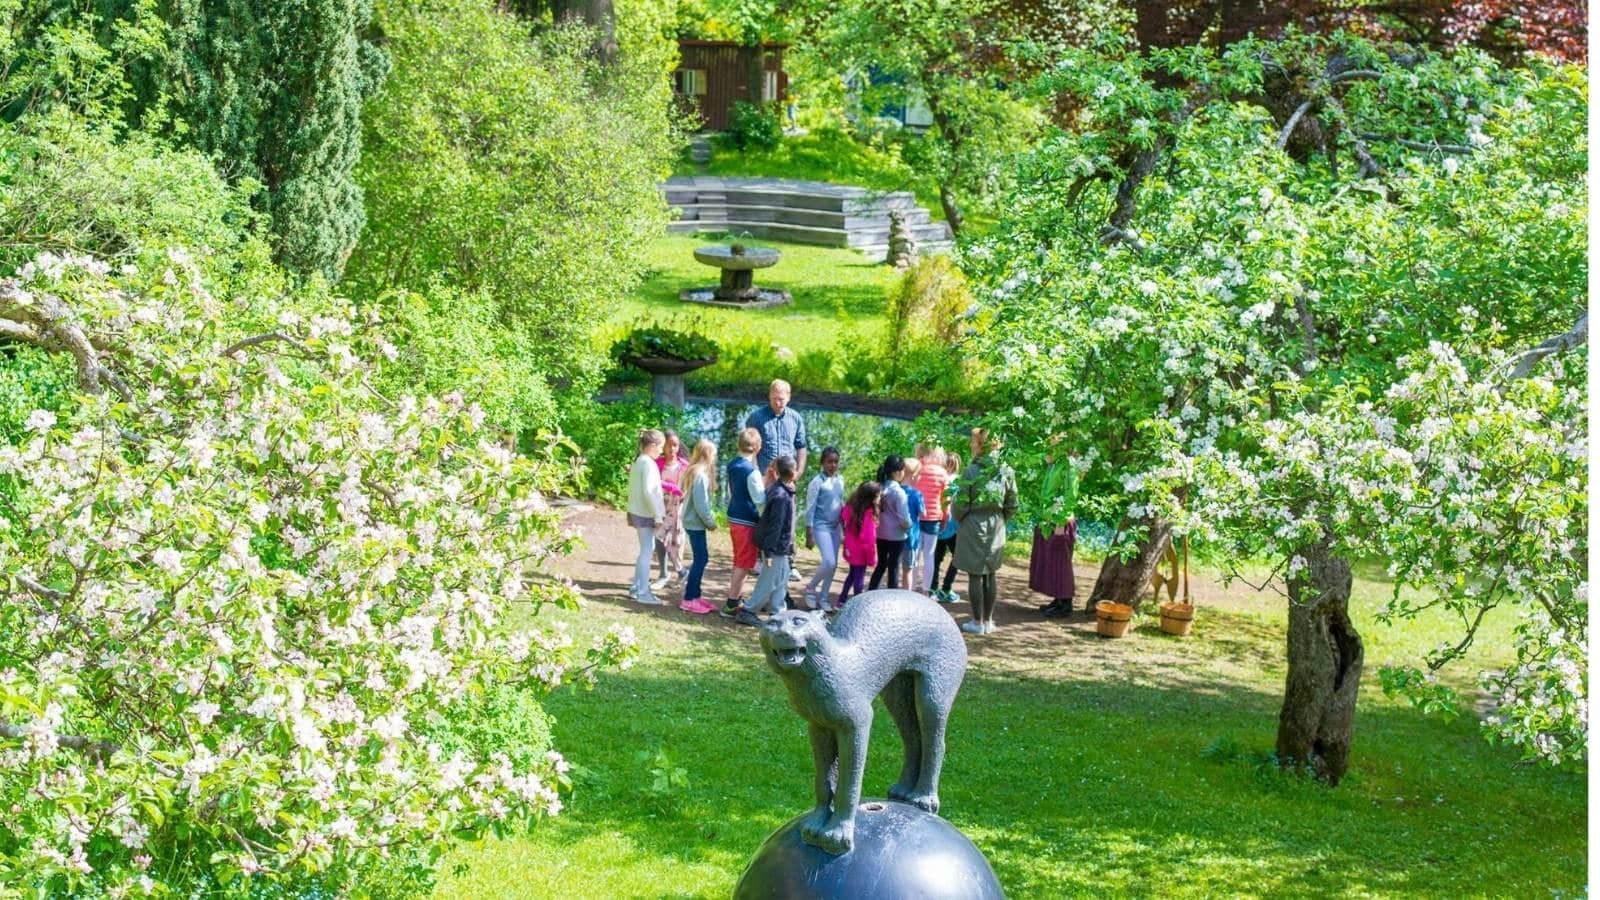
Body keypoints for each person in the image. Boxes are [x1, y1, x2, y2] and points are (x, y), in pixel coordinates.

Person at [951, 428, 1017, 634]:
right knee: (990, 574)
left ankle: (977, 622)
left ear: (980, 445)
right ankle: (988, 621)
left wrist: (961, 518)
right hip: (997, 524)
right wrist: (1000, 518)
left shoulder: (971, 470)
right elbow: (1013, 503)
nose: (971, 445)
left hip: (974, 523)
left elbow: (961, 503)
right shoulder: (1006, 470)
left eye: (973, 442)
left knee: (975, 575)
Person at [746, 379, 809, 585]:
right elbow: (751, 447)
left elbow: (801, 446)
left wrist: (798, 471)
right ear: (769, 396)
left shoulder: (796, 418)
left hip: (788, 477)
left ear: (788, 397)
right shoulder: (757, 417)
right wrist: (755, 473)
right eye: (774, 399)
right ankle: (758, 559)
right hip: (766, 476)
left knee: (788, 520)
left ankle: (789, 562)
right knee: (762, 517)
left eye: (781, 399)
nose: (778, 403)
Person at [737, 455, 798, 626]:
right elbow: (775, 526)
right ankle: (748, 610)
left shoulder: (786, 490)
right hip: (774, 547)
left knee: (782, 579)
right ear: (793, 473)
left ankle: (778, 612)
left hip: (782, 547)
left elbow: (787, 524)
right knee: (769, 580)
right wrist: (769, 552)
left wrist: (791, 545)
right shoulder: (780, 495)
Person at [1031, 440, 1081, 618]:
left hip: (1060, 522)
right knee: (1052, 563)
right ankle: (1057, 599)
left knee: (1061, 564)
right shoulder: (1054, 466)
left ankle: (1065, 604)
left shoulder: (1069, 468)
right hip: (1048, 521)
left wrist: (1060, 523)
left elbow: (1070, 497)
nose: (1047, 450)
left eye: (1051, 447)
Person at [721, 428, 766, 617]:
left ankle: (735, 597)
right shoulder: (752, 472)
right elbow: (759, 500)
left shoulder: (732, 464)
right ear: (757, 447)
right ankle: (732, 604)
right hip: (747, 520)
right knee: (744, 563)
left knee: (739, 559)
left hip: (734, 517)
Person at [626, 429, 667, 605]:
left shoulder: (639, 461)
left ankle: (636, 586)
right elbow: (650, 492)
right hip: (645, 513)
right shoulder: (648, 463)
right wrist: (658, 515)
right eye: (661, 447)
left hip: (637, 510)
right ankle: (642, 592)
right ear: (652, 446)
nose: (662, 451)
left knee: (645, 549)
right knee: (646, 551)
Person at [679, 438, 719, 615]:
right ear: (709, 455)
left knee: (701, 558)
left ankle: (696, 595)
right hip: (695, 523)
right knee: (701, 559)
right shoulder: (700, 476)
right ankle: (689, 599)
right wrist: (710, 522)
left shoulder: (693, 471)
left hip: (692, 522)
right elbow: (701, 504)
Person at [802, 447, 846, 610]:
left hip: (835, 527)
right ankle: (811, 588)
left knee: (833, 565)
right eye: (829, 461)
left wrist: (844, 528)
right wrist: (809, 533)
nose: (833, 465)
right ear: (822, 463)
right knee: (828, 561)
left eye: (836, 462)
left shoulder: (840, 480)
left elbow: (840, 503)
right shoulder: (817, 482)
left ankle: (824, 597)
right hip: (821, 526)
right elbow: (810, 508)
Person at [653, 430, 689, 589]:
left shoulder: (684, 465)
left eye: (675, 445)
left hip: (677, 508)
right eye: (668, 445)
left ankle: (680, 571)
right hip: (660, 506)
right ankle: (663, 573)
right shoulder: (657, 463)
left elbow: (688, 487)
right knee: (659, 537)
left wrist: (682, 495)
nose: (672, 449)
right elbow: (653, 482)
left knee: (676, 541)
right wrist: (670, 487)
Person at [868, 455, 910, 590]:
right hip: (897, 535)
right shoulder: (899, 492)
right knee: (894, 567)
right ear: (897, 472)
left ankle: (871, 590)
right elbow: (904, 518)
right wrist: (910, 525)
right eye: (903, 470)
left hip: (881, 533)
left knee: (881, 564)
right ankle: (893, 595)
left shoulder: (879, 488)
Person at [914, 444, 951, 594]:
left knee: (915, 554)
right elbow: (946, 500)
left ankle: (910, 587)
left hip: (916, 516)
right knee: (929, 556)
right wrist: (945, 518)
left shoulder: (917, 470)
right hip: (934, 518)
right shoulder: (942, 473)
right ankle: (926, 591)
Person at [837, 481, 881, 607]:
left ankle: (841, 599)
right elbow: (869, 538)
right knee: (859, 578)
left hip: (850, 547)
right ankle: (858, 603)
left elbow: (843, 518)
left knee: (851, 574)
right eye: (878, 496)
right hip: (861, 551)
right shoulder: (869, 514)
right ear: (871, 497)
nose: (880, 498)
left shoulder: (851, 507)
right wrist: (872, 558)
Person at [930, 452, 961, 603]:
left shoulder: (939, 478)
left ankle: (933, 588)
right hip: (953, 525)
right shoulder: (960, 482)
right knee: (958, 558)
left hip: (938, 522)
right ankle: (946, 588)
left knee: (936, 558)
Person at [899, 457, 926, 591]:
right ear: (914, 476)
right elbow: (923, 514)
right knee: (908, 570)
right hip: (911, 537)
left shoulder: (895, 490)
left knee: (893, 567)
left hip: (894, 536)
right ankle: (906, 595)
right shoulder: (917, 494)